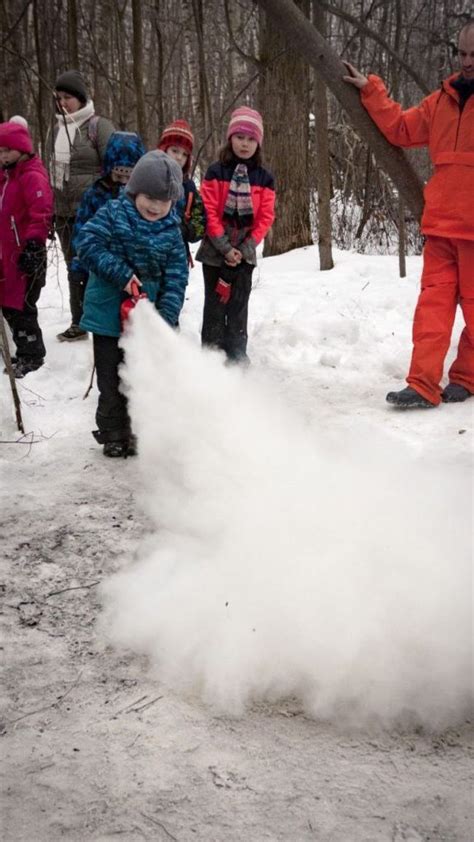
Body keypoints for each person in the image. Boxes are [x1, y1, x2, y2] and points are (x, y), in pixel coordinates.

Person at [343, 20, 474, 408]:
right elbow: (400, 128)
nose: (467, 62)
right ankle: (422, 384)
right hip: (440, 229)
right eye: (462, 53)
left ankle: (466, 375)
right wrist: (371, 91)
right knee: (431, 313)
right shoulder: (440, 102)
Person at [75, 150, 188, 458]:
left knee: (142, 378)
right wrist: (122, 274)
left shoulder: (172, 231)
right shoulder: (113, 214)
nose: (155, 206)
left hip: (147, 319)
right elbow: (86, 244)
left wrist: (164, 318)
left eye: (163, 201)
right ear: (135, 190)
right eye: (150, 197)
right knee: (111, 378)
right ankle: (113, 432)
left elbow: (177, 278)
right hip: (109, 315)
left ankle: (141, 430)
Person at [195, 106, 275, 365]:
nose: (245, 144)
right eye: (240, 137)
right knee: (215, 303)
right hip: (215, 250)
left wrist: (246, 246)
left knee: (239, 304)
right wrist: (224, 247)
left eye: (251, 139)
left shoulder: (265, 178)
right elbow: (208, 210)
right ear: (230, 138)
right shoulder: (216, 172)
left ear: (258, 143)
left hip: (245, 251)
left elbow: (265, 217)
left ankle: (237, 352)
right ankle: (211, 352)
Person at [50, 69, 115, 342]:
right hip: (63, 212)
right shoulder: (56, 128)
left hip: (93, 212)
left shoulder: (98, 126)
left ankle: (99, 320)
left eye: (68, 98)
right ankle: (79, 322)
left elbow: (115, 169)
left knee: (93, 266)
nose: (63, 103)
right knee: (72, 265)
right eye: (59, 98)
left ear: (80, 98)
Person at [0, 120, 53, 378]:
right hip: (7, 257)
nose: (3, 155)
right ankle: (23, 351)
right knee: (9, 305)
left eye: (7, 150)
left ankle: (33, 355)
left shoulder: (31, 175)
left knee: (22, 307)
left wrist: (34, 244)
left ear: (21, 148)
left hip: (27, 256)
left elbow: (41, 212)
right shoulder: (6, 177)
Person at [70, 131, 147, 303]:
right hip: (101, 271)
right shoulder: (96, 194)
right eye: (119, 176)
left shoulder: (145, 198)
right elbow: (81, 233)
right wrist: (78, 267)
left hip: (136, 275)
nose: (124, 182)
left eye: (130, 177)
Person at [157, 119, 205, 262]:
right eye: (175, 150)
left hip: (178, 255)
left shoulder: (189, 187)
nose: (179, 157)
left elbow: (200, 221)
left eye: (184, 154)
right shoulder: (149, 177)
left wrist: (186, 230)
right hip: (147, 252)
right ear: (164, 149)